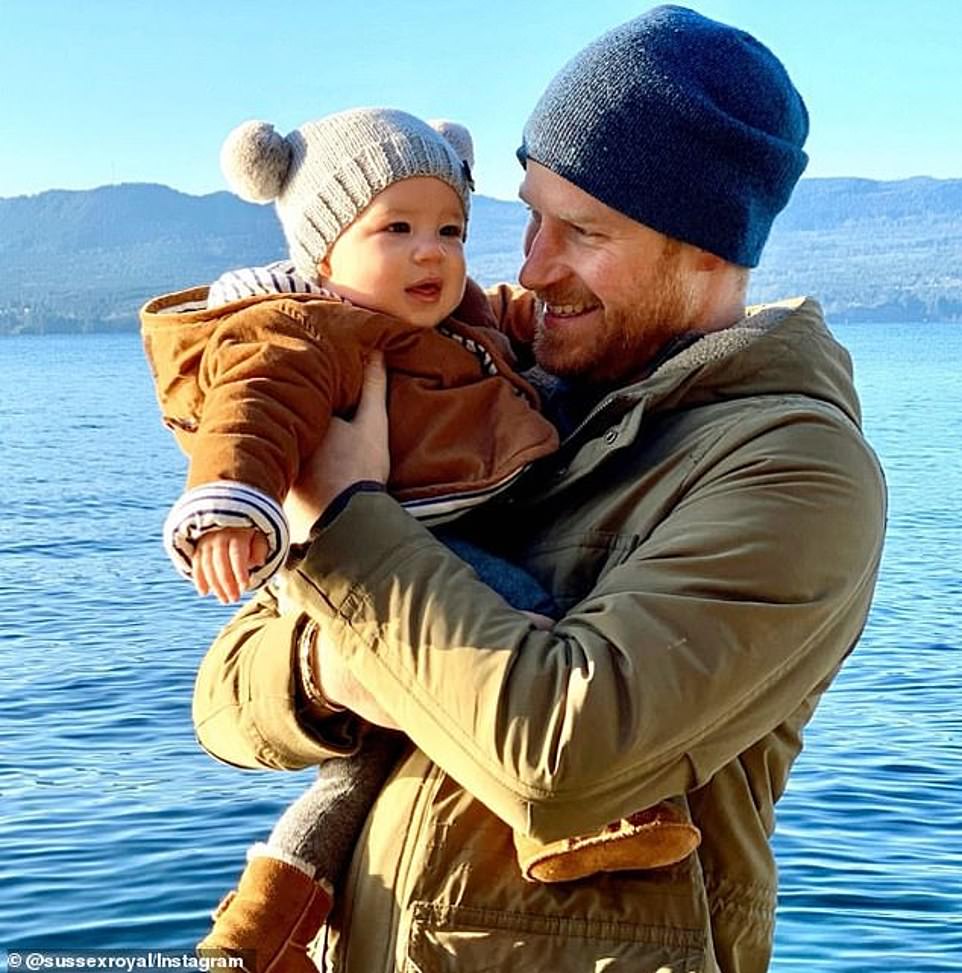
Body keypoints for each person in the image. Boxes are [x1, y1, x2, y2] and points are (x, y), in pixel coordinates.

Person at [191, 6, 887, 972]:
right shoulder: (502, 388)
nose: (530, 266)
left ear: (709, 249)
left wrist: (346, 524)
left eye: (584, 232)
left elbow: (565, 759)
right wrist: (327, 674)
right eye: (528, 215)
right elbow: (225, 698)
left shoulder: (792, 466)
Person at [141, 107, 700, 968]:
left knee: (361, 766)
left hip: (397, 557)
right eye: (394, 228)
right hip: (401, 546)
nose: (432, 251)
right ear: (323, 249)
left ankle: (266, 924)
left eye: (450, 229)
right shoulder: (306, 332)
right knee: (527, 616)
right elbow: (253, 411)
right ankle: (617, 805)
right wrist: (229, 506)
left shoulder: (448, 319)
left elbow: (515, 320)